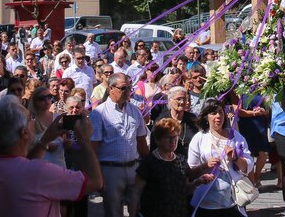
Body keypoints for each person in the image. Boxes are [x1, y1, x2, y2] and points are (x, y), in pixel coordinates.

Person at [0, 95, 102, 215]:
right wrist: (85, 140)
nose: (34, 120)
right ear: (24, 132)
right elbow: (95, 182)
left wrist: (45, 140)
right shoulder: (39, 171)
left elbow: (22, 169)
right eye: (30, 118)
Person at [90, 73, 149, 217]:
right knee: (113, 212)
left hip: (134, 168)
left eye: (129, 88)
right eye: (123, 88)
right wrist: (97, 176)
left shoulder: (135, 111)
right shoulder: (99, 113)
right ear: (111, 89)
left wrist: (148, 166)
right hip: (110, 171)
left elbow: (141, 142)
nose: (127, 91)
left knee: (135, 211)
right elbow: (93, 148)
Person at [187, 98, 254, 216]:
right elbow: (190, 172)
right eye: (213, 113)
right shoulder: (199, 138)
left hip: (232, 200)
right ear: (206, 117)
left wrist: (236, 159)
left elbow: (248, 166)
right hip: (206, 200)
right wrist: (205, 166)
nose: (218, 116)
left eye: (220, 112)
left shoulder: (236, 137)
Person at [137, 117, 214, 217]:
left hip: (179, 212)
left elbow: (185, 190)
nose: (173, 141)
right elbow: (136, 193)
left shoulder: (181, 160)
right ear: (158, 139)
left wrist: (198, 182)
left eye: (175, 137)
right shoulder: (149, 162)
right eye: (168, 137)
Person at [152, 86, 199, 159]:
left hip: (190, 161)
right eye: (178, 99)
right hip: (168, 161)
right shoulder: (162, 120)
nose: (182, 102)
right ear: (170, 100)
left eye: (184, 99)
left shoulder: (192, 119)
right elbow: (154, 145)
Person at [28, 85, 65, 167]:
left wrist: (68, 141)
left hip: (59, 164)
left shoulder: (58, 117)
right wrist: (45, 144)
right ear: (34, 101)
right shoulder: (30, 120)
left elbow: (66, 143)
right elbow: (28, 145)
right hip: (39, 166)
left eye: (49, 97)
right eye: (42, 98)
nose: (47, 100)